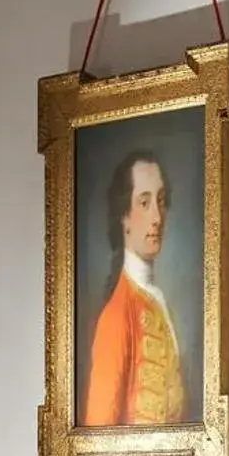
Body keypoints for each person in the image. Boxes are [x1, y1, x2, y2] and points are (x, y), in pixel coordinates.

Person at [82, 151, 189, 426]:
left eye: (160, 201)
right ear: (124, 217)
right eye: (144, 202)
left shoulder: (159, 300)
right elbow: (99, 431)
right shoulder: (116, 316)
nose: (157, 217)